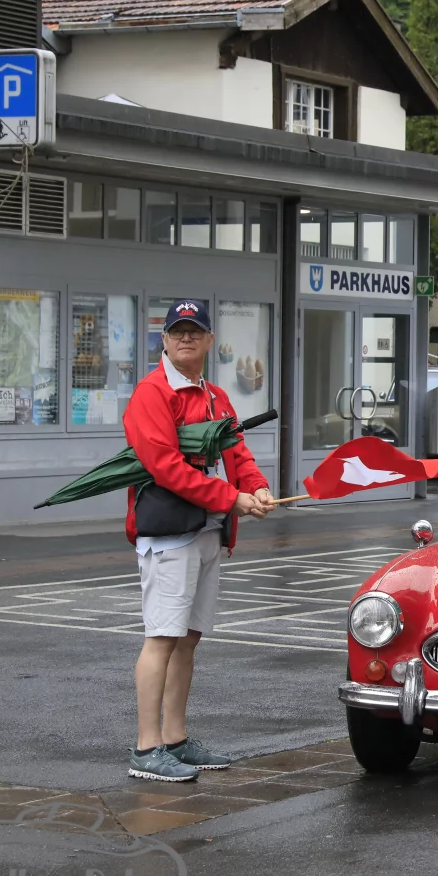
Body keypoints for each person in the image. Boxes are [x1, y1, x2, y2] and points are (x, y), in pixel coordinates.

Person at [123, 299, 275, 782]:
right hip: (171, 534)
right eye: (177, 331)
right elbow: (165, 468)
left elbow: (237, 452)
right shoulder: (152, 394)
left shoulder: (216, 396)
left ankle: (175, 738)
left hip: (208, 530)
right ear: (164, 341)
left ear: (210, 340)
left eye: (195, 331)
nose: (185, 338)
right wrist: (232, 498)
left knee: (187, 639)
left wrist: (257, 487)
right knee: (161, 638)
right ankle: (147, 748)